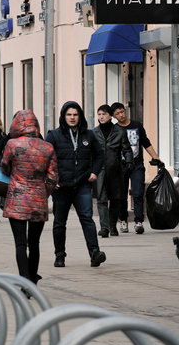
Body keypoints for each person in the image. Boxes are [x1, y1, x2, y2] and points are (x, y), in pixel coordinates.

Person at [44, 102, 105, 268]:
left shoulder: (88, 135)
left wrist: (94, 172)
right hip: (61, 186)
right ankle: (60, 255)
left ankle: (94, 253)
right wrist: (52, 178)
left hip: (82, 184)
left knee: (87, 218)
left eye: (75, 114)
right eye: (69, 115)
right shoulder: (54, 135)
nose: (72, 118)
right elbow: (44, 157)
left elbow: (100, 155)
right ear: (64, 116)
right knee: (59, 222)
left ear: (80, 116)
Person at [1, 110, 59, 283]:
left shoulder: (12, 144)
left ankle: (24, 278)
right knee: (35, 243)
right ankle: (33, 277)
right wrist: (43, 193)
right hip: (38, 200)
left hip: (16, 199)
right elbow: (53, 177)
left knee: (20, 243)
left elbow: (4, 166)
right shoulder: (47, 147)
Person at [110, 101, 164, 235]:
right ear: (113, 116)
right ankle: (123, 220)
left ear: (125, 110)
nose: (121, 115)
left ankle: (138, 222)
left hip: (137, 165)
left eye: (122, 111)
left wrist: (156, 157)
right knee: (121, 195)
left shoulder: (137, 125)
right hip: (121, 166)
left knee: (138, 192)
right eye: (117, 114)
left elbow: (145, 142)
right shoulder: (114, 129)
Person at [91, 104, 129, 238]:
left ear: (110, 116)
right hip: (99, 170)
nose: (101, 117)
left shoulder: (119, 132)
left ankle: (113, 225)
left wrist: (129, 164)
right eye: (99, 114)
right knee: (101, 199)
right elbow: (90, 152)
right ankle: (104, 227)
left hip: (115, 170)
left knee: (116, 198)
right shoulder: (93, 133)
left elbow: (127, 149)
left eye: (104, 114)